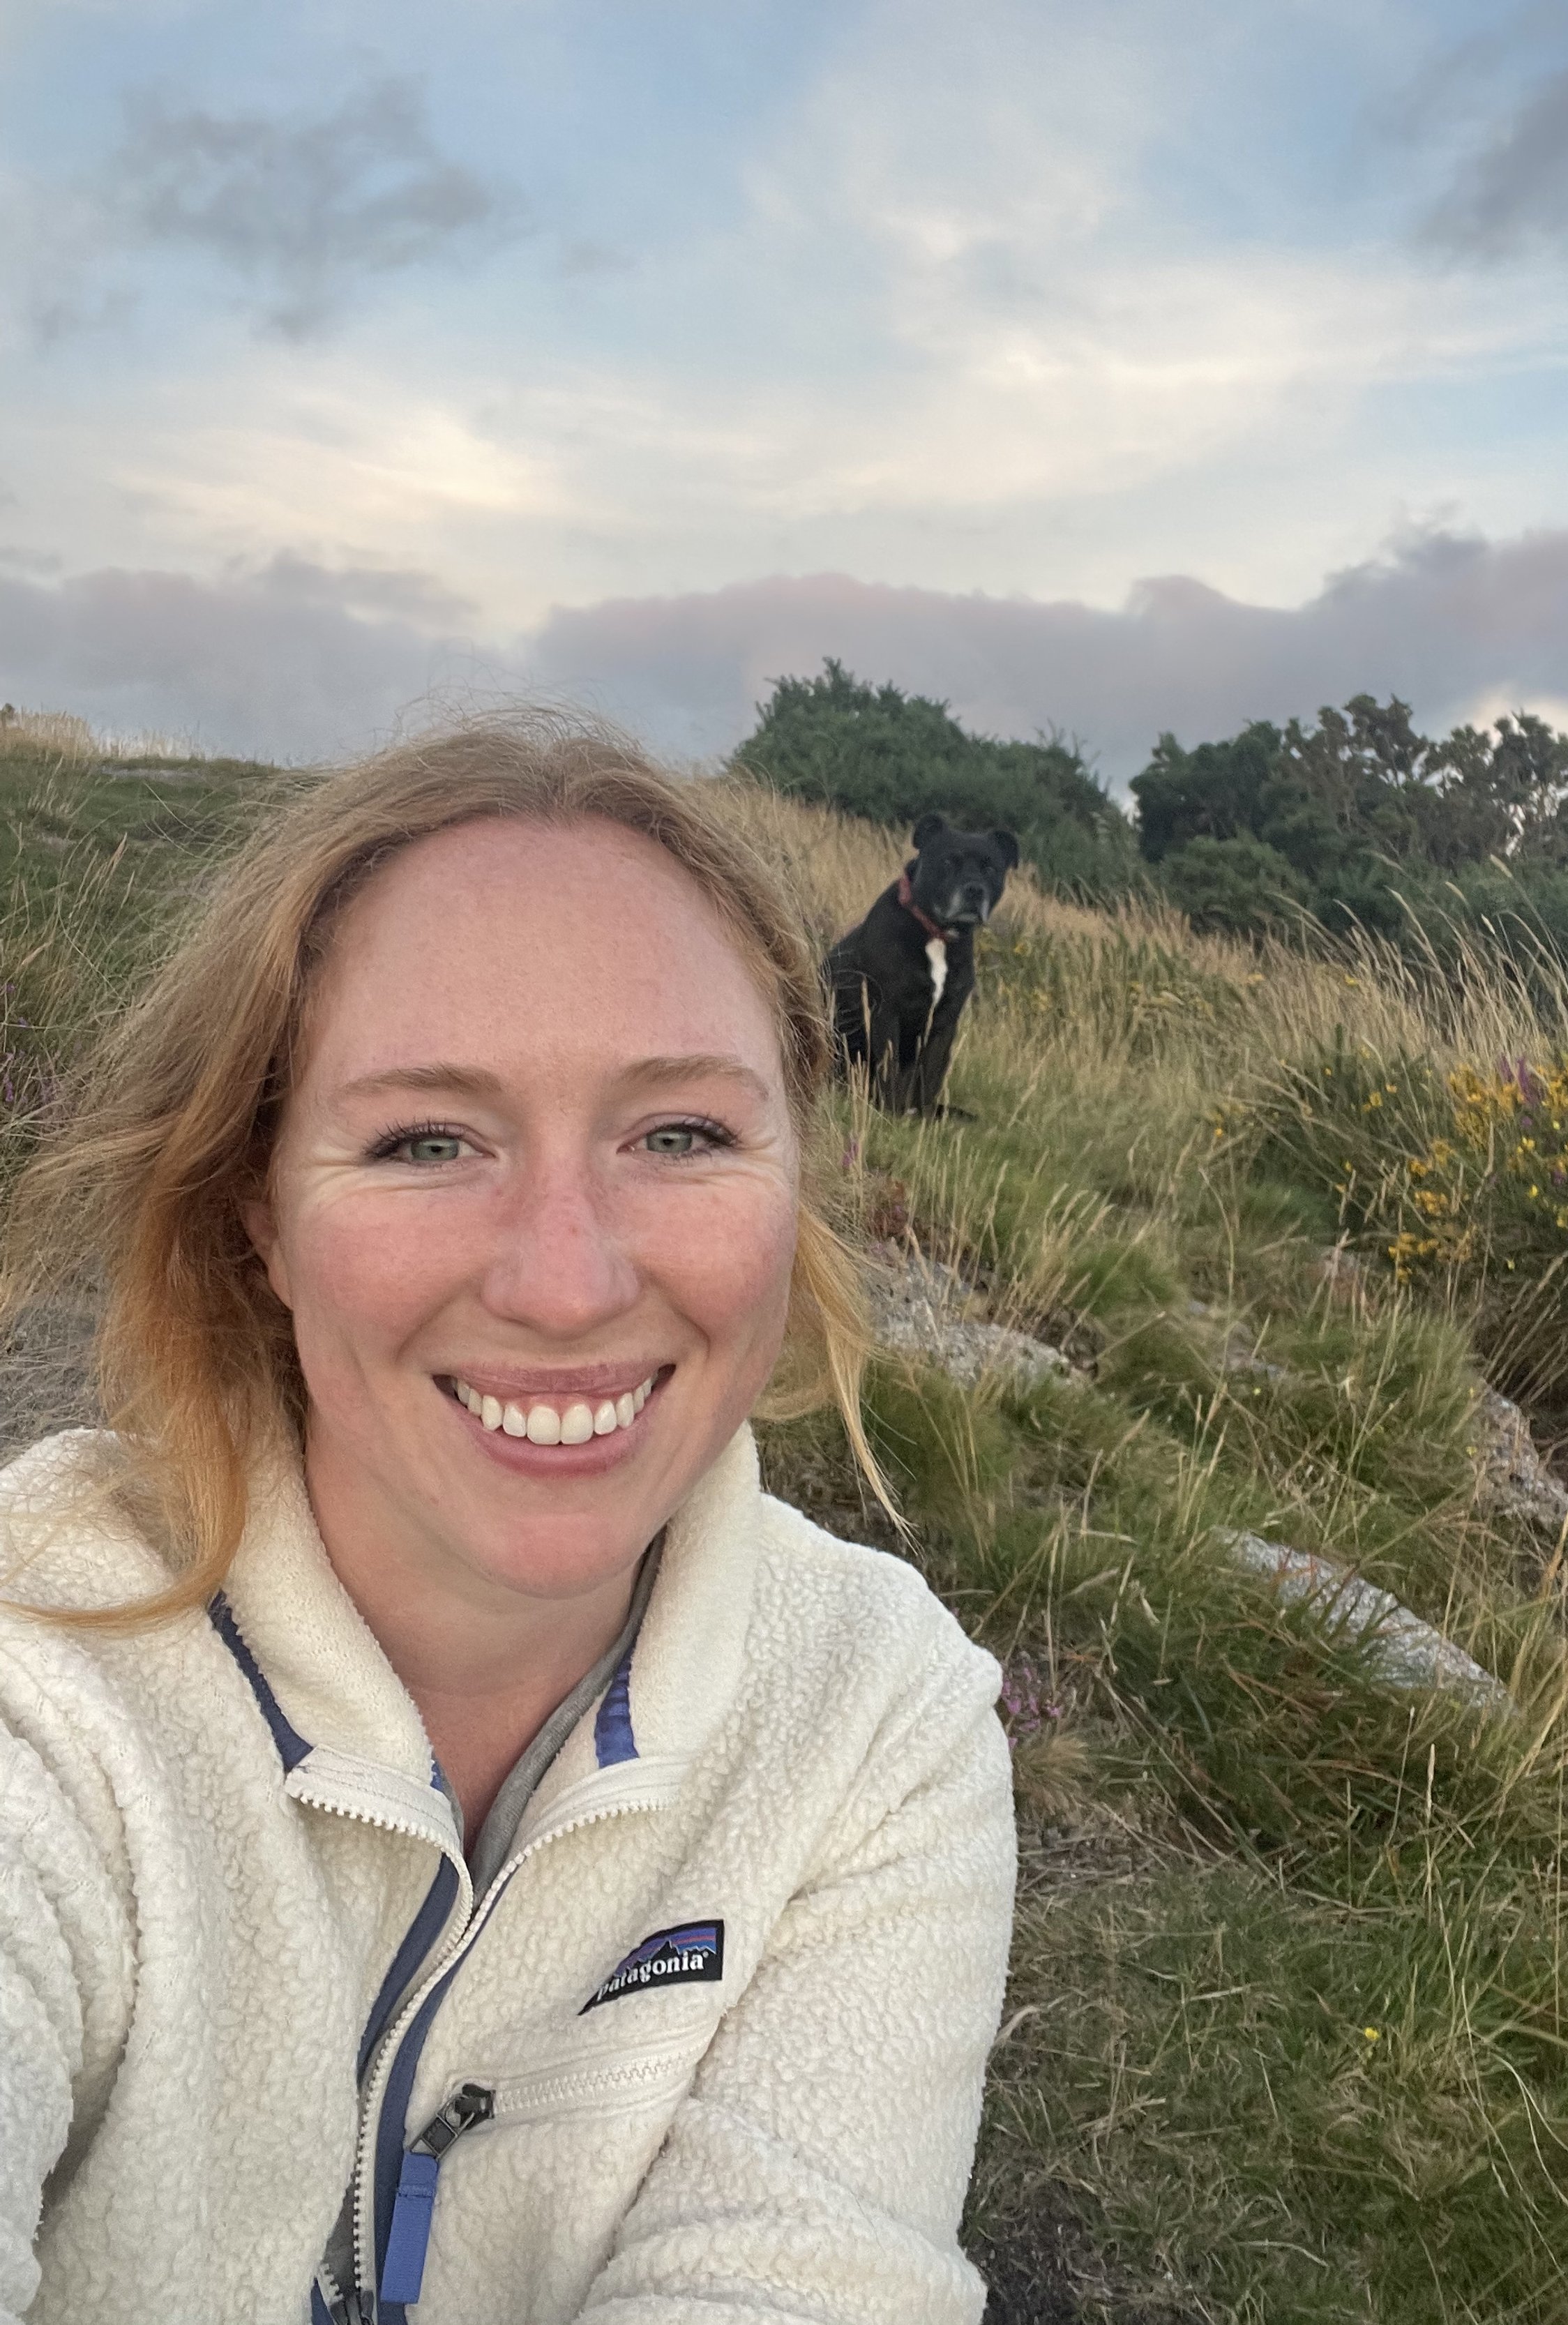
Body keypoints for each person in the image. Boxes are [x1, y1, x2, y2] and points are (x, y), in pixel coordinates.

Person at [0, 717, 1016, 2325]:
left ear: (794, 1177)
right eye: (426, 1140)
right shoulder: (38, 1673)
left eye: (678, 1133)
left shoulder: (875, 1713)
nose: (564, 1282)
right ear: (259, 1213)